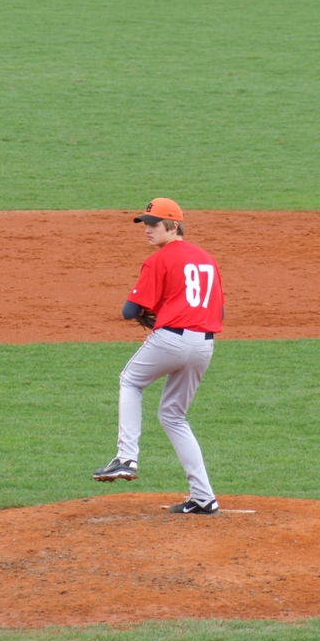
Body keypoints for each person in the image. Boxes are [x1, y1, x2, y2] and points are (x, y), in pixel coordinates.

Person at [92, 198, 224, 515]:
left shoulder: (159, 260)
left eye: (154, 224)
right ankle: (203, 498)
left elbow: (129, 311)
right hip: (204, 346)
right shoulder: (208, 259)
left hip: (171, 341)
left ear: (173, 225)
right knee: (173, 416)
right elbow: (218, 312)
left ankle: (126, 457)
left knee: (130, 381)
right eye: (145, 224)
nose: (147, 229)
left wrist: (150, 315)